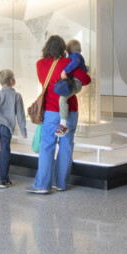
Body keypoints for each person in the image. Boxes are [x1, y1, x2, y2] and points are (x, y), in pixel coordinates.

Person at [29, 35, 89, 195]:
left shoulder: (39, 64)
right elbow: (86, 79)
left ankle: (43, 185)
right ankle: (61, 184)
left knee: (46, 146)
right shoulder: (68, 63)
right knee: (66, 146)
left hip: (50, 111)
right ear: (63, 49)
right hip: (70, 110)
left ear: (46, 48)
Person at [52, 40, 88, 137]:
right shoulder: (75, 55)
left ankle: (63, 124)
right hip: (76, 81)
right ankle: (63, 123)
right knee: (63, 97)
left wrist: (65, 70)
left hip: (76, 83)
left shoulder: (75, 55)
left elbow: (75, 63)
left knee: (62, 98)